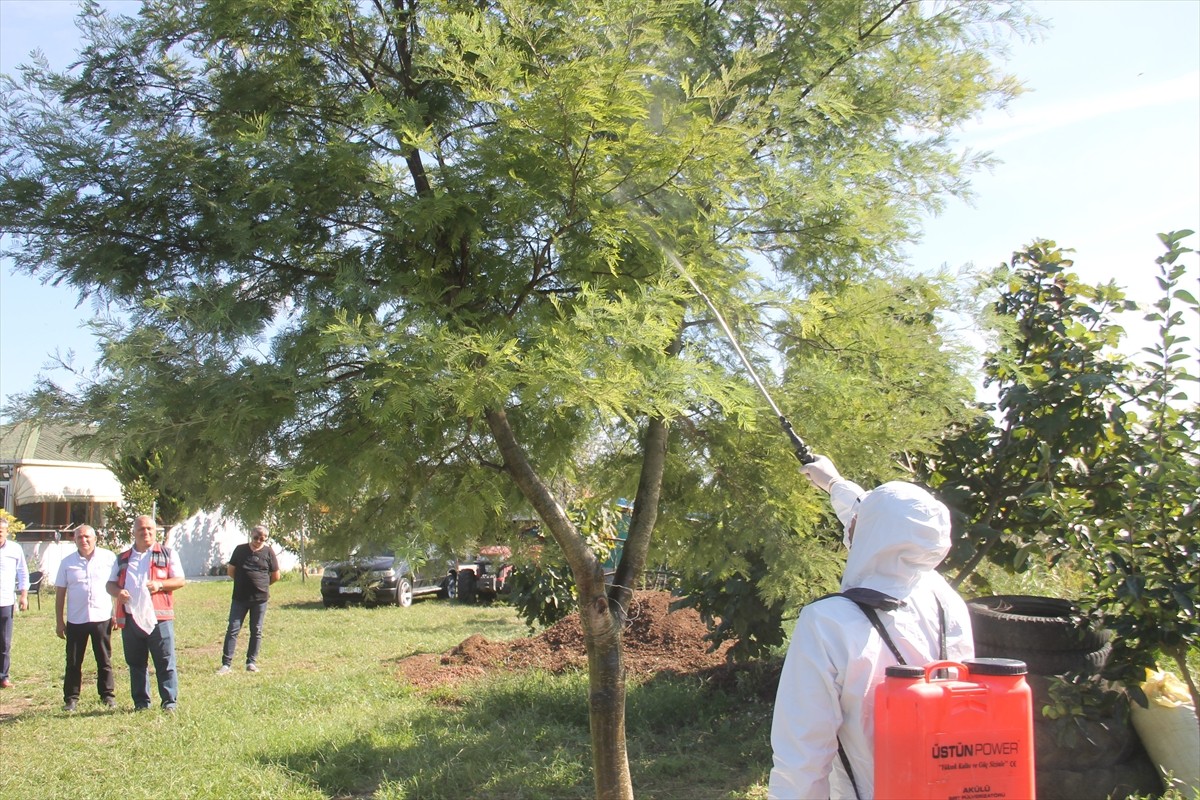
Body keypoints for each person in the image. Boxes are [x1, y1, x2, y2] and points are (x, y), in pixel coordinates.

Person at [768, 455, 974, 800]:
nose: (852, 526)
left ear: (870, 532)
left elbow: (802, 758)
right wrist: (833, 483)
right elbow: (891, 528)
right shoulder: (946, 601)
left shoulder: (828, 624)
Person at [106, 515, 185, 711]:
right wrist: (118, 592)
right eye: (141, 529)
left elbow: (180, 580)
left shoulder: (167, 554)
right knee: (136, 663)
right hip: (131, 618)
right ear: (133, 532)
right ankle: (141, 703)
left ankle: (169, 702)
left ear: (155, 531)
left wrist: (160, 584)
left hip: (159, 617)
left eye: (150, 529)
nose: (146, 533)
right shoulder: (123, 558)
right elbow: (110, 584)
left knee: (165, 661)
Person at [54, 524, 118, 711]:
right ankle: (71, 699)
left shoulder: (108, 558)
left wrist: (116, 613)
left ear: (95, 538)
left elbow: (117, 587)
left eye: (87, 537)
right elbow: (60, 593)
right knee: (73, 661)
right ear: (74, 540)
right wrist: (60, 621)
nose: (84, 540)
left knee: (104, 659)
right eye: (79, 537)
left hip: (102, 616)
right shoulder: (67, 563)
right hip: (77, 619)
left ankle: (107, 695)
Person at [217, 524, 280, 674]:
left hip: (260, 599)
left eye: (262, 539)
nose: (258, 541)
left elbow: (276, 575)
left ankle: (251, 662)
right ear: (250, 536)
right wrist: (242, 582)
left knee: (256, 630)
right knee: (233, 628)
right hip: (240, 598)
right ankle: (226, 664)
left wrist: (262, 585)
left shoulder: (268, 552)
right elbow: (231, 571)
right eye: (256, 538)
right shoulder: (240, 550)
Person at [0, 516, 30, 689]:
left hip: (5, 600)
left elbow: (23, 574)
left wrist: (23, 596)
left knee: (4, 642)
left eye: (1, 531)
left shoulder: (15, 549)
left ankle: (3, 676)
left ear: (6, 532)